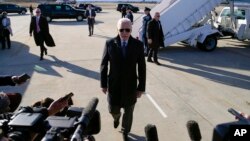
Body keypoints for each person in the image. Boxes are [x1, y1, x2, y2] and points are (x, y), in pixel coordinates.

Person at [100, 18, 146, 141]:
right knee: (113, 110)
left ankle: (125, 131)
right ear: (117, 30)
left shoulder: (138, 45)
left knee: (129, 112)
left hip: (131, 86)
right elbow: (104, 65)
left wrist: (141, 87)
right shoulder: (109, 43)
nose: (124, 33)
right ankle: (116, 118)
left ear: (131, 30)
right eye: (121, 30)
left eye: (127, 30)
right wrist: (103, 84)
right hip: (114, 86)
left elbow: (142, 67)